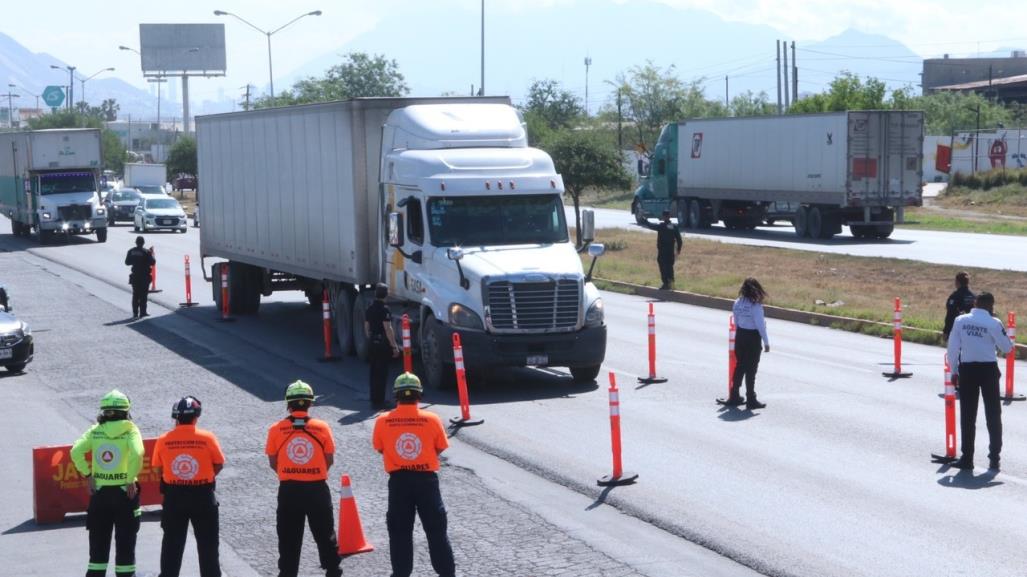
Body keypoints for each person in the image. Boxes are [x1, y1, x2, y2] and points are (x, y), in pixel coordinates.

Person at [372, 373, 456, 577]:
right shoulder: (432, 419)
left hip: (399, 482)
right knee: (436, 532)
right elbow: (440, 447)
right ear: (419, 395)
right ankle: (447, 574)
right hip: (427, 481)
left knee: (400, 533)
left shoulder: (383, 421)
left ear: (396, 396)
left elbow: (380, 448)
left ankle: (401, 573)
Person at [264, 381, 343, 577]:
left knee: (288, 536)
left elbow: (273, 462)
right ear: (310, 403)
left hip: (289, 490)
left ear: (288, 404)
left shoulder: (276, 429)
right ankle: (333, 570)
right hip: (317, 489)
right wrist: (312, 471)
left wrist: (291, 472)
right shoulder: (322, 427)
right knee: (325, 533)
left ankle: (287, 573)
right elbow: (329, 459)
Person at [70, 390, 145, 577]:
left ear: (104, 411)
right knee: (126, 548)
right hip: (125, 495)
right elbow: (138, 453)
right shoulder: (130, 430)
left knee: (97, 551)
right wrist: (129, 480)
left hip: (100, 495)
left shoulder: (96, 430)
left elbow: (75, 451)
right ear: (126, 410)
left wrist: (88, 475)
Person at [151, 396, 225, 577]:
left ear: (175, 417)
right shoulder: (207, 438)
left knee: (171, 545)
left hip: (174, 497)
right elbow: (219, 463)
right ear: (196, 416)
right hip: (203, 496)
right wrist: (204, 477)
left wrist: (176, 478)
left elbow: (157, 469)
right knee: (208, 545)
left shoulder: (163, 440)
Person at [947, 292, 1014, 471]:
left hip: (967, 371)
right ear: (991, 306)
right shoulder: (994, 323)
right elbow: (1007, 348)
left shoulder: (961, 320)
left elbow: (952, 349)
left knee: (968, 416)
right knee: (993, 415)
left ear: (975, 303)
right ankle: (994, 458)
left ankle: (967, 458)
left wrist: (953, 371)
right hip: (988, 371)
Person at [727, 278, 771, 409]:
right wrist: (766, 342)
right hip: (752, 338)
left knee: (739, 366)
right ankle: (751, 399)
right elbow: (760, 326)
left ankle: (734, 395)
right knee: (751, 370)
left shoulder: (737, 302)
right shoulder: (755, 305)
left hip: (740, 336)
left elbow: (735, 321)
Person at [365, 283, 400, 409]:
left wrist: (371, 339)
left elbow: (367, 327)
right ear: (386, 295)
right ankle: (380, 400)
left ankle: (374, 398)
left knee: (373, 371)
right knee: (382, 372)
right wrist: (394, 346)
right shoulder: (385, 310)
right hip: (382, 343)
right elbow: (388, 328)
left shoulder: (369, 308)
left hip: (372, 342)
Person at [125, 236, 156, 318]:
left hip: (135, 276)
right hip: (144, 277)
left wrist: (135, 261)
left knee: (135, 295)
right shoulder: (146, 252)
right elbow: (153, 262)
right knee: (143, 295)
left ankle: (135, 313)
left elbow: (127, 262)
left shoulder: (131, 251)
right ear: (143, 243)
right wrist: (152, 254)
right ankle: (143, 312)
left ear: (136, 242)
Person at [943, 271, 975, 342]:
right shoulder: (974, 296)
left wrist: (946, 331)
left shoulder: (955, 296)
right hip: (971, 331)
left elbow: (950, 314)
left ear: (957, 282)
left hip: (957, 330)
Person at [655, 210, 682, 290]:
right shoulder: (674, 227)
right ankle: (671, 284)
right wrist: (678, 249)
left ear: (663, 217)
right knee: (669, 267)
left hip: (662, 251)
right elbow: (679, 240)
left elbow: (651, 226)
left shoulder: (661, 226)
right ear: (669, 216)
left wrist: (644, 220)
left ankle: (666, 283)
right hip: (670, 251)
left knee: (663, 267)